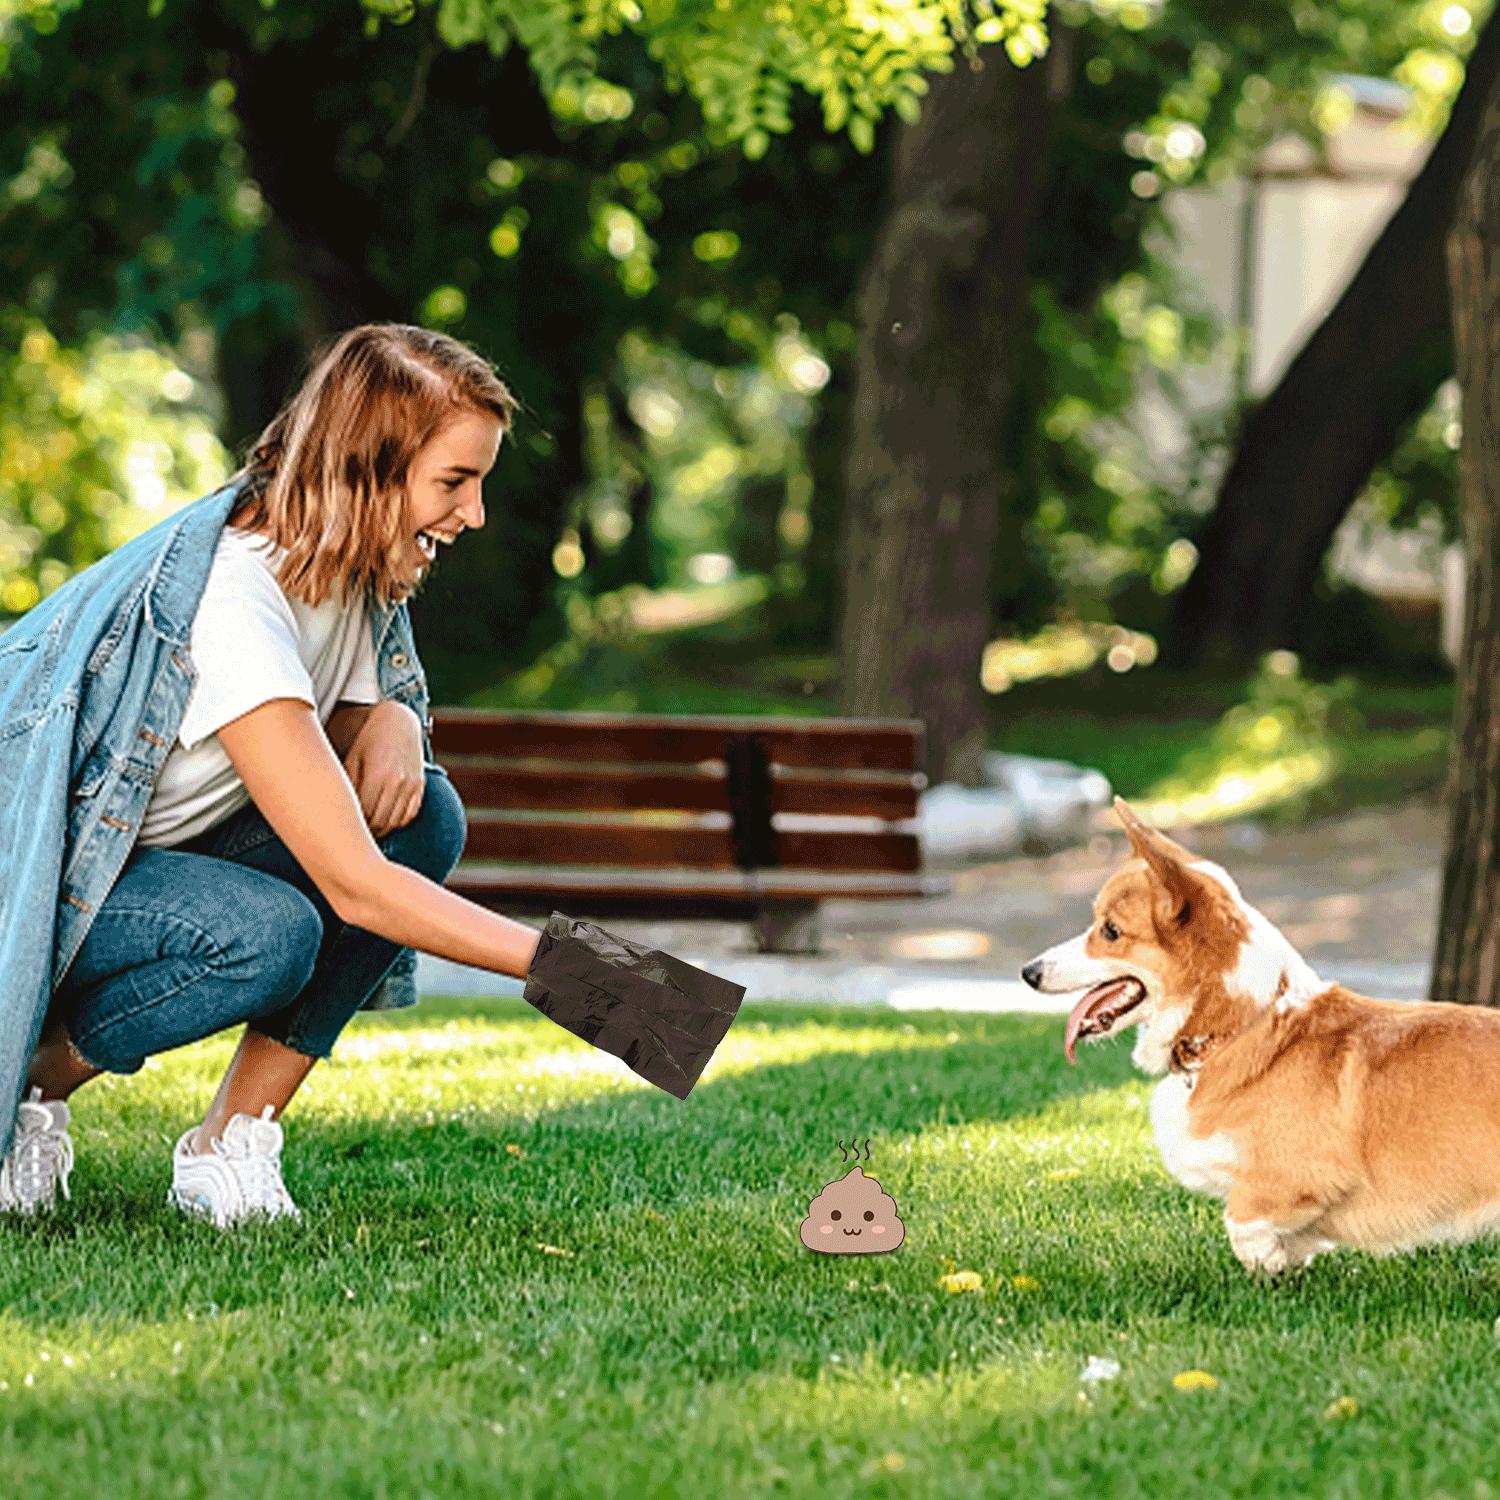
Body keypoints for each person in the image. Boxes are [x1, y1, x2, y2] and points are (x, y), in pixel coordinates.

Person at [0, 322, 551, 1230]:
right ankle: (34, 1079)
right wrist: (580, 974)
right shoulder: (231, 599)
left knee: (425, 820)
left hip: (147, 869)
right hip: (47, 891)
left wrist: (395, 713)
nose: (474, 514)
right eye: (454, 482)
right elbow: (355, 886)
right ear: (365, 473)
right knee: (266, 934)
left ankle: (230, 1146)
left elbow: (358, 765)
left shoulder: (353, 568)